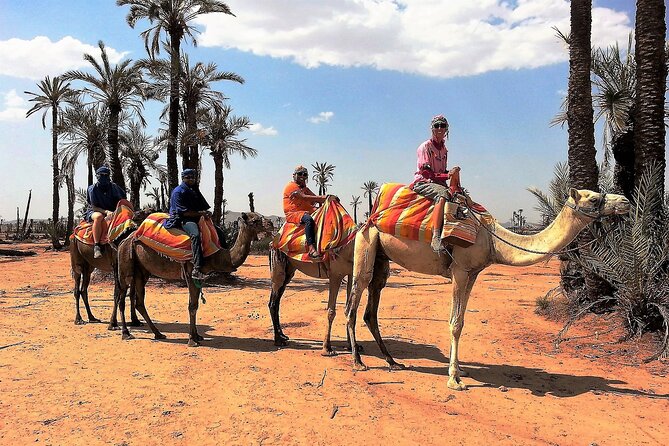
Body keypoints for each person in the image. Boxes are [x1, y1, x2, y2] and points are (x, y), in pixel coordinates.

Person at [410, 114, 462, 253]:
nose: (440, 128)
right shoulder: (425, 147)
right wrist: (447, 174)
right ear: (432, 128)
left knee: (458, 197)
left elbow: (442, 172)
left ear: (447, 129)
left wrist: (451, 172)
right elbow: (427, 173)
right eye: (437, 125)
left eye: (442, 126)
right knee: (443, 195)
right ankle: (436, 236)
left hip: (437, 182)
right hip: (423, 182)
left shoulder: (444, 150)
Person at [164, 169, 212, 280]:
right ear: (183, 178)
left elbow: (201, 205)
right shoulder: (178, 192)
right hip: (183, 219)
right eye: (188, 177)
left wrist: (206, 212)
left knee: (216, 231)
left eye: (193, 177)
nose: (191, 179)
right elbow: (184, 212)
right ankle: (197, 268)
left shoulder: (193, 190)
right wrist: (201, 213)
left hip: (195, 217)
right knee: (195, 235)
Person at [282, 165, 328, 259]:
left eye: (304, 174)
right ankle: (311, 248)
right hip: (294, 213)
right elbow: (303, 197)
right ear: (294, 175)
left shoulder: (305, 189)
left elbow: (316, 198)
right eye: (300, 174)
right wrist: (325, 198)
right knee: (308, 220)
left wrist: (329, 200)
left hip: (307, 210)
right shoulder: (291, 186)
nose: (302, 176)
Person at [84, 166, 127, 259]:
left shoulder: (114, 187)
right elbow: (94, 206)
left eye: (106, 175)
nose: (104, 177)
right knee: (98, 217)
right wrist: (106, 211)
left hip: (113, 211)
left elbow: (122, 200)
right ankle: (97, 245)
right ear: (97, 176)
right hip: (96, 211)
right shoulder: (92, 189)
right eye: (101, 175)